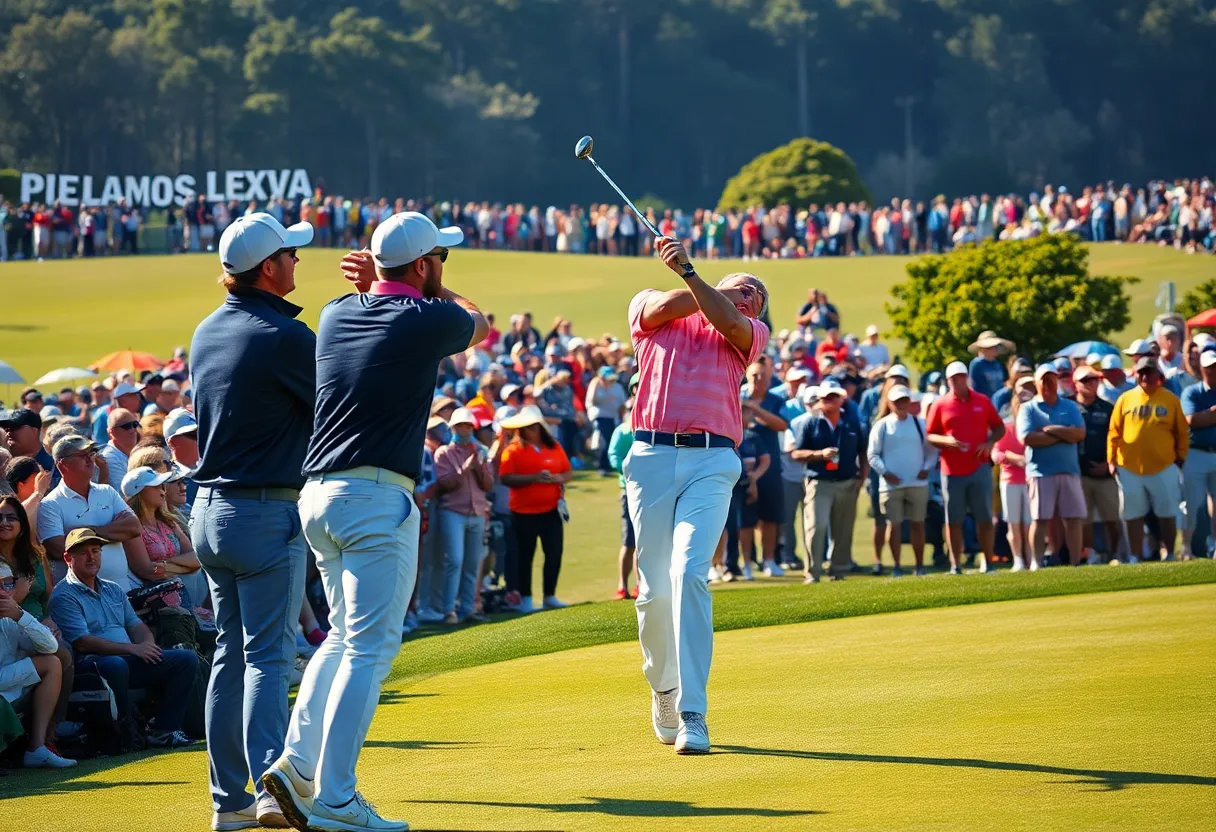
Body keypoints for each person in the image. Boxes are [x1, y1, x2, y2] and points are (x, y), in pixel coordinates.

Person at [265, 211, 487, 832]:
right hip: (373, 498)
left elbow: (382, 300)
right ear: (423, 266)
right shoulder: (426, 317)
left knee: (340, 640)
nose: (445, 267)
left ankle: (295, 767)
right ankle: (335, 798)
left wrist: (390, 282)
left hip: (319, 497)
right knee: (369, 649)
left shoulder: (337, 310)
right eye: (440, 258)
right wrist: (431, 289)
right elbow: (481, 323)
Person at [190, 211, 318, 830]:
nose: (298, 262)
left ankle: (229, 803)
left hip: (208, 512)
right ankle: (273, 789)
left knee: (228, 656)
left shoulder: (205, 331)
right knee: (269, 656)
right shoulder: (288, 337)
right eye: (291, 254)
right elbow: (335, 406)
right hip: (263, 509)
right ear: (268, 268)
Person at [624, 236, 769, 755]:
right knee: (653, 590)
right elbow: (663, 306)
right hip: (650, 458)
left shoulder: (749, 333)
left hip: (712, 459)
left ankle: (693, 712)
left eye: (755, 292)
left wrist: (696, 277)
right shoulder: (650, 305)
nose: (746, 295)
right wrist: (688, 275)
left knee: (689, 573)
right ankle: (663, 688)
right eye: (739, 286)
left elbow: (730, 322)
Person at [49, 527, 198, 748]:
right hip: (91, 664)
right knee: (116, 665)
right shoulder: (63, 595)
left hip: (127, 657)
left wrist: (147, 645)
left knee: (186, 659)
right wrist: (133, 649)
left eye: (96, 550)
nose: (92, 557)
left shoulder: (113, 589)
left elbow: (136, 625)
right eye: (83, 552)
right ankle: (123, 733)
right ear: (68, 558)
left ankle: (164, 730)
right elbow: (82, 641)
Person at [926, 361, 1005, 574]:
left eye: (960, 376)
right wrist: (946, 441)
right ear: (948, 381)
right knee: (953, 520)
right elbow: (930, 435)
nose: (957, 381)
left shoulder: (982, 401)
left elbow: (999, 427)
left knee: (985, 518)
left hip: (979, 467)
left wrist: (989, 443)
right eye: (953, 378)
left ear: (966, 378)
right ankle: (956, 565)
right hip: (951, 471)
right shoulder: (940, 404)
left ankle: (988, 563)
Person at [1108, 357, 1188, 561]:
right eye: (1141, 372)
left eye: (1149, 372)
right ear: (1135, 374)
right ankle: (1135, 556)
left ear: (1158, 374)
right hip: (1128, 467)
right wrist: (1111, 459)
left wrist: (1180, 458)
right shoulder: (1125, 399)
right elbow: (1114, 431)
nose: (1145, 376)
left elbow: (1182, 432)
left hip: (1164, 466)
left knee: (1167, 512)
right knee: (1133, 514)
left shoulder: (1170, 399)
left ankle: (1169, 553)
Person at [37, 435, 141, 586]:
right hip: (81, 597)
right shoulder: (50, 504)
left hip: (122, 589)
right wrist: (113, 531)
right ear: (62, 465)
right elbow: (58, 549)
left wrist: (85, 533)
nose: (89, 459)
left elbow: (134, 527)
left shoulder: (107, 491)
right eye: (81, 455)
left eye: (91, 453)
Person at [498, 406, 572, 613]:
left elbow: (567, 471)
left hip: (551, 510)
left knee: (554, 552)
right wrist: (534, 478)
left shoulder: (554, 446)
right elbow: (506, 478)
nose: (531, 431)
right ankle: (526, 599)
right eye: (527, 428)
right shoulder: (512, 451)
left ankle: (550, 595)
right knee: (525, 556)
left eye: (533, 427)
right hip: (523, 513)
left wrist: (558, 478)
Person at [791, 379, 864, 582]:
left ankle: (838, 571)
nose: (829, 400)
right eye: (826, 397)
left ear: (842, 399)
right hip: (819, 483)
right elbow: (796, 453)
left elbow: (862, 452)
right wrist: (819, 454)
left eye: (833, 397)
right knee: (816, 526)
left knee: (843, 530)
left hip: (847, 482)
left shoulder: (852, 422)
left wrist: (862, 478)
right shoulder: (810, 421)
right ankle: (812, 573)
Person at [0, 570, 75, 768]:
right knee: (48, 663)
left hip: (7, 689)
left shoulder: (9, 615)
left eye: (7, 584)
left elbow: (50, 646)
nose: (2, 592)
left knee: (53, 661)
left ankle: (37, 748)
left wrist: (20, 615)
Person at [1016, 364, 1087, 567]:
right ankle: (1036, 564)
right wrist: (1065, 434)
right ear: (1036, 383)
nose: (1048, 384)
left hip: (1069, 470)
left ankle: (1075, 564)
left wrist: (1052, 430)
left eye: (1052, 379)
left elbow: (1080, 434)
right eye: (1044, 380)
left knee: (1073, 519)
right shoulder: (1028, 408)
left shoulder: (1069, 406)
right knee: (1040, 519)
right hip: (1040, 472)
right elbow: (1028, 438)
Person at [866, 384, 937, 576]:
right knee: (893, 525)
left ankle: (919, 566)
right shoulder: (881, 425)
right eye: (897, 401)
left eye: (905, 400)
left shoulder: (919, 424)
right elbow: (872, 455)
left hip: (917, 483)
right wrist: (886, 473)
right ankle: (896, 566)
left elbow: (932, 451)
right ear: (890, 403)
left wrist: (926, 468)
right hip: (891, 485)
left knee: (918, 524)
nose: (901, 404)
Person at [433, 408, 494, 624]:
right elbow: (446, 484)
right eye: (460, 426)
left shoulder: (480, 451)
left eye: (468, 426)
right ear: (453, 428)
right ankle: (448, 610)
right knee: (455, 561)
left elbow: (488, 485)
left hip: (477, 511)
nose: (465, 430)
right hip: (453, 511)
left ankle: (468, 609)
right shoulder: (444, 453)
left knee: (472, 563)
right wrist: (466, 468)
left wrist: (480, 467)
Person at [120, 467, 203, 604]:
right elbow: (147, 571)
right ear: (139, 492)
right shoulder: (133, 528)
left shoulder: (169, 522)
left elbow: (198, 558)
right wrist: (185, 566)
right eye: (156, 486)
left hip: (184, 596)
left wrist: (164, 565)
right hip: (158, 605)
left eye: (162, 485)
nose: (163, 490)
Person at [740, 357, 789, 576]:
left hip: (769, 464)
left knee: (770, 516)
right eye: (754, 375)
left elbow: (782, 425)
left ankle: (769, 560)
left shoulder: (775, 400)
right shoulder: (738, 395)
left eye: (763, 376)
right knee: (745, 518)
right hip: (741, 463)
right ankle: (746, 562)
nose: (759, 380)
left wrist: (756, 411)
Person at [1074, 366, 1121, 562]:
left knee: (1112, 517)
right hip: (1079, 473)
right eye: (1085, 380)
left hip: (1104, 473)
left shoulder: (1108, 408)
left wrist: (1108, 464)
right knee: (1084, 519)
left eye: (1094, 379)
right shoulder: (1068, 406)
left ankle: (1114, 554)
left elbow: (1117, 439)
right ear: (1076, 384)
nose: (1091, 383)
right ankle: (1091, 553)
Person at [992, 377, 1036, 570]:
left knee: (1029, 524)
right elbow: (995, 453)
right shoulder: (1007, 428)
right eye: (1021, 403)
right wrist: (1013, 457)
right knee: (1014, 524)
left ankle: (1032, 558)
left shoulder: (1037, 428)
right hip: (1010, 480)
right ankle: (1018, 559)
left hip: (1031, 480)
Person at [1180, 350, 1216, 560]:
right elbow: (1192, 420)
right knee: (1192, 504)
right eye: (1210, 367)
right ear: (1202, 369)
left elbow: (1202, 419)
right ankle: (1186, 548)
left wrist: (1208, 415)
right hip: (1196, 455)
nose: (1213, 371)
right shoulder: (1192, 392)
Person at [607, 376, 640, 600]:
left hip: (653, 489)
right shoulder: (623, 430)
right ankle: (623, 585)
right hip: (629, 490)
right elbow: (614, 457)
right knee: (629, 541)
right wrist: (631, 471)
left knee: (646, 541)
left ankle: (642, 585)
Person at [586, 366, 626, 477]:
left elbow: (622, 405)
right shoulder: (595, 386)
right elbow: (591, 401)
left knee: (611, 441)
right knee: (603, 440)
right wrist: (596, 383)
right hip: (600, 416)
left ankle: (608, 465)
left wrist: (623, 418)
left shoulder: (617, 387)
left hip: (613, 417)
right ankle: (601, 466)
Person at [98, 407, 139, 491]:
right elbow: (124, 495)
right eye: (126, 426)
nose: (132, 430)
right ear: (112, 432)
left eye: (134, 424)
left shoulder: (136, 452)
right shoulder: (109, 458)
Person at [1, 408, 53, 473]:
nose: (8, 433)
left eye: (14, 427)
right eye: (6, 429)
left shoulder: (52, 466)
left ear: (34, 430)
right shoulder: (3, 466)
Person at [967, 331, 1014, 399]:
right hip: (984, 403)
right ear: (983, 349)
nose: (996, 348)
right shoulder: (977, 364)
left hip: (998, 403)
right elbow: (974, 387)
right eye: (992, 346)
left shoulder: (997, 365)